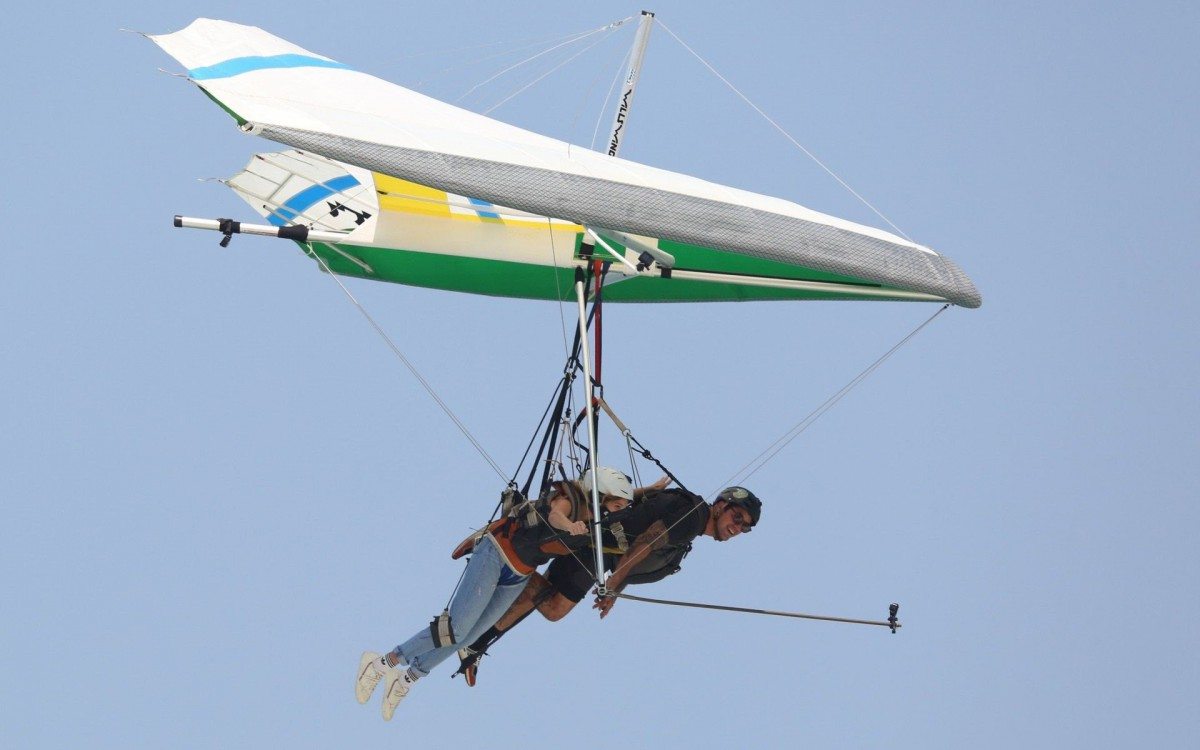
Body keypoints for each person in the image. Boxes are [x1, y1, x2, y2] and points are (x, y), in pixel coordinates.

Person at [353, 466, 634, 720]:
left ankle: (407, 679)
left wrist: (651, 490)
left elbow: (623, 509)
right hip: (497, 553)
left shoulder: (596, 523)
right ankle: (383, 662)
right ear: (601, 494)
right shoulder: (571, 499)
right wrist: (570, 525)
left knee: (472, 636)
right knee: (456, 627)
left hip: (520, 574)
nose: (617, 511)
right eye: (617, 504)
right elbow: (555, 515)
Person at [456, 483, 761, 686]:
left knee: (548, 601)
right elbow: (647, 540)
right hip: (594, 544)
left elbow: (642, 554)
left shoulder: (687, 538)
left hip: (602, 554)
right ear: (720, 505)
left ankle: (475, 641)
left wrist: (617, 587)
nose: (737, 527)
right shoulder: (694, 517)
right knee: (553, 605)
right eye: (737, 516)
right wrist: (613, 585)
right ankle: (499, 543)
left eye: (745, 527)